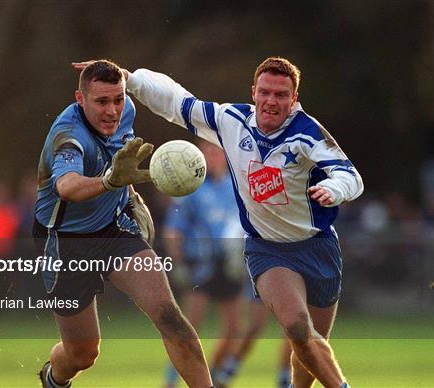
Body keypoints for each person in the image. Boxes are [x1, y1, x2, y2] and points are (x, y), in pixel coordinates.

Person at [74, 56, 363, 387]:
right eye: (265, 92)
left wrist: (332, 188)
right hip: (268, 250)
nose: (271, 101)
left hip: (319, 246)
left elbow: (349, 174)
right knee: (297, 326)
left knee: (310, 345)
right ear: (254, 92)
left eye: (281, 95)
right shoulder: (231, 120)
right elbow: (177, 102)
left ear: (294, 99)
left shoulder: (308, 134)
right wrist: (131, 79)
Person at [33, 60, 212, 388]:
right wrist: (114, 182)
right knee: (83, 353)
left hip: (115, 230)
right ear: (80, 99)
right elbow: (67, 187)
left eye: (118, 99)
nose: (113, 110)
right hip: (63, 241)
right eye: (101, 102)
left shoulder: (126, 107)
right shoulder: (68, 134)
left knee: (169, 316)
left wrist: (130, 196)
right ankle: (53, 377)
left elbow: (117, 160)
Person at [162, 141, 244, 387]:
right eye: (207, 153)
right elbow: (173, 230)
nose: (213, 157)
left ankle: (213, 378)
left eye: (217, 152)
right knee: (189, 325)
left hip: (231, 264)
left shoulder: (237, 186)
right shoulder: (190, 188)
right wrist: (178, 263)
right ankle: (171, 380)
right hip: (201, 265)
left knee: (233, 328)